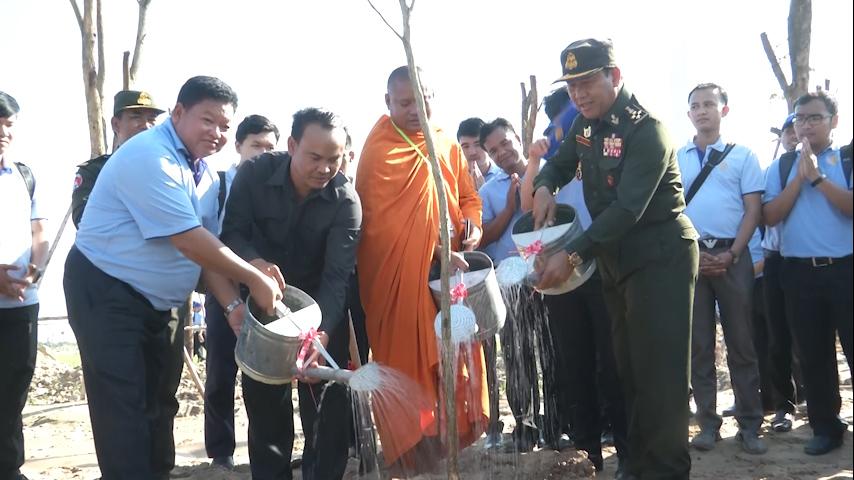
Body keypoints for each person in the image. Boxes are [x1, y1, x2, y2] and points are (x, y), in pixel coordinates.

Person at [64, 75, 282, 480]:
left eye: (224, 127)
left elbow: (208, 254)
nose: (216, 134)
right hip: (107, 290)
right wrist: (255, 277)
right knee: (123, 403)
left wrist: (233, 305)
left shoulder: (206, 176)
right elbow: (189, 241)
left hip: (162, 303)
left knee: (161, 402)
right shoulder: (150, 156)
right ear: (178, 113)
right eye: (207, 121)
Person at [531, 39, 699, 480]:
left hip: (659, 256)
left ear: (614, 76)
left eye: (587, 82)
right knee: (627, 371)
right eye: (572, 87)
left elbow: (628, 209)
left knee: (659, 375)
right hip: (615, 260)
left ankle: (666, 470)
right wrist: (544, 186)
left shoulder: (646, 130)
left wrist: (571, 254)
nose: (579, 94)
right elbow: (557, 163)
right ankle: (642, 464)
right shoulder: (587, 127)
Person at [355, 65, 487, 473]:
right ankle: (414, 453)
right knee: (408, 367)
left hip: (448, 277)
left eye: (422, 100)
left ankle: (450, 448)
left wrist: (473, 226)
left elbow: (469, 198)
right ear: (388, 103)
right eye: (405, 102)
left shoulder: (446, 143)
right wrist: (433, 246)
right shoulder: (379, 150)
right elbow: (380, 226)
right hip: (399, 282)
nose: (415, 109)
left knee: (454, 361)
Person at [220, 107, 360, 480]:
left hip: (321, 311)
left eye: (334, 159)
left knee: (328, 407)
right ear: (293, 145)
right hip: (265, 309)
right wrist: (254, 265)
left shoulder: (346, 201)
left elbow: (337, 277)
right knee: (266, 408)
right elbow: (231, 234)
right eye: (314, 157)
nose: (324, 168)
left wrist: (325, 331)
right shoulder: (254, 175)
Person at [522, 88, 630, 473]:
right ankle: (587, 453)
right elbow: (526, 205)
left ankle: (627, 450)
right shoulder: (552, 165)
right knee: (575, 362)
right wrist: (535, 162)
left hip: (605, 270)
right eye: (562, 125)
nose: (569, 130)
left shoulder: (611, 152)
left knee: (615, 362)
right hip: (561, 277)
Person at [675, 83, 766, 454]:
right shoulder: (676, 156)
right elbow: (672, 210)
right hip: (692, 258)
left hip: (734, 256)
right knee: (698, 346)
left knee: (742, 343)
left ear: (723, 110)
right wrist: (696, 252)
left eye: (709, 104)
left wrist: (732, 254)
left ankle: (750, 425)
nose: (702, 111)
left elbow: (754, 210)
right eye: (695, 105)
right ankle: (707, 424)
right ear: (689, 114)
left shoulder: (743, 156)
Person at [763, 91, 853, 456]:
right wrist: (798, 181)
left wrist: (817, 179)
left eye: (814, 117)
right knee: (813, 355)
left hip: (846, 269)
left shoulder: (846, 158)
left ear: (834, 120)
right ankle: (825, 428)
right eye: (799, 118)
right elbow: (769, 217)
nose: (806, 124)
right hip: (798, 272)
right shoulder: (782, 167)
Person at [203, 113, 279, 470]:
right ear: (238, 146)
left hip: (258, 291)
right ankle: (221, 452)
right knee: (221, 370)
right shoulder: (217, 184)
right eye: (256, 146)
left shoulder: (275, 188)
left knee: (263, 372)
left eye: (270, 147)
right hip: (221, 289)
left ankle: (264, 451)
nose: (263, 153)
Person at [478, 118, 551, 452]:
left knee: (554, 352)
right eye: (493, 150)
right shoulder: (488, 190)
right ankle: (524, 426)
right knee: (517, 357)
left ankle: (556, 425)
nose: (502, 152)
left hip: (550, 275)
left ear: (518, 138)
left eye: (505, 143)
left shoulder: (551, 174)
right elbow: (484, 237)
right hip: (509, 283)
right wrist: (508, 206)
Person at [1, 91, 48, 480]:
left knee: (14, 386)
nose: (3, 130)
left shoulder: (23, 174)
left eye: (8, 123)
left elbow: (39, 232)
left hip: (20, 304)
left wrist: (34, 269)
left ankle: (9, 466)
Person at [760, 113, 805, 434]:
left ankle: (819, 403)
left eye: (798, 128)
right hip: (778, 261)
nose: (794, 135)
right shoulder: (774, 169)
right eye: (789, 130)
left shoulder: (837, 162)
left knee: (817, 337)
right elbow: (769, 216)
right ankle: (784, 406)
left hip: (822, 259)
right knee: (779, 338)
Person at [71, 90, 166, 228]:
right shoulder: (94, 170)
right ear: (116, 124)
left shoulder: (165, 169)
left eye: (151, 119)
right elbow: (84, 221)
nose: (146, 125)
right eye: (136, 117)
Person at [457, 117, 501, 189]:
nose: (472, 152)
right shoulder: (454, 181)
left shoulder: (504, 176)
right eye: (466, 146)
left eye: (477, 144)